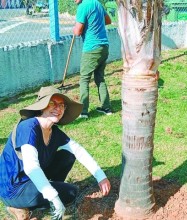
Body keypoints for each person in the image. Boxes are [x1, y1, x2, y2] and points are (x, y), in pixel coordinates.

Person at [0, 86, 111, 220]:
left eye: (62, 105)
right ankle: (18, 206)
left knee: (68, 155)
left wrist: (101, 176)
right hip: (13, 188)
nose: (58, 108)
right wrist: (54, 196)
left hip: (30, 179)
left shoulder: (54, 132)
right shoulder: (29, 128)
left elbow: (78, 150)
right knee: (70, 192)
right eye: (52, 103)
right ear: (42, 107)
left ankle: (40, 197)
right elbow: (31, 167)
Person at [73, 0, 113, 119]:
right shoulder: (97, 3)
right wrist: (94, 23)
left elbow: (78, 31)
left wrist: (75, 29)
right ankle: (106, 108)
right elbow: (108, 20)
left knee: (84, 79)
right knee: (100, 78)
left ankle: (83, 112)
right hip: (104, 46)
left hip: (91, 48)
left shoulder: (83, 6)